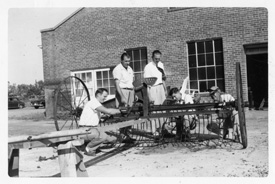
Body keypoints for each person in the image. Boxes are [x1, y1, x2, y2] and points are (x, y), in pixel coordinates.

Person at [79, 88, 121, 156]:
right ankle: (89, 149)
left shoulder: (97, 104)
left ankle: (93, 145)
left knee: (112, 138)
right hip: (84, 130)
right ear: (98, 95)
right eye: (104, 96)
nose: (105, 99)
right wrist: (120, 111)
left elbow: (101, 118)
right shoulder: (93, 102)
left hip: (91, 129)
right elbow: (108, 111)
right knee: (102, 136)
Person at [112, 52, 136, 143]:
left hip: (130, 91)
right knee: (123, 114)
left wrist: (134, 94)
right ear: (121, 60)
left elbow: (131, 83)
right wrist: (122, 96)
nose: (128, 63)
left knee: (130, 114)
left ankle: (127, 135)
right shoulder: (117, 69)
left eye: (129, 61)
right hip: (122, 91)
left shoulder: (130, 69)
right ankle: (122, 136)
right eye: (126, 61)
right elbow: (117, 84)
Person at [143, 50, 167, 134]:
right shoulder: (148, 67)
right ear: (152, 57)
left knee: (163, 109)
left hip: (161, 87)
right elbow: (147, 82)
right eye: (156, 58)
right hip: (153, 88)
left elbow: (163, 78)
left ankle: (163, 129)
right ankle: (154, 130)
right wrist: (150, 95)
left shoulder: (161, 65)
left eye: (159, 58)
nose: (157, 60)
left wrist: (165, 89)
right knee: (154, 109)